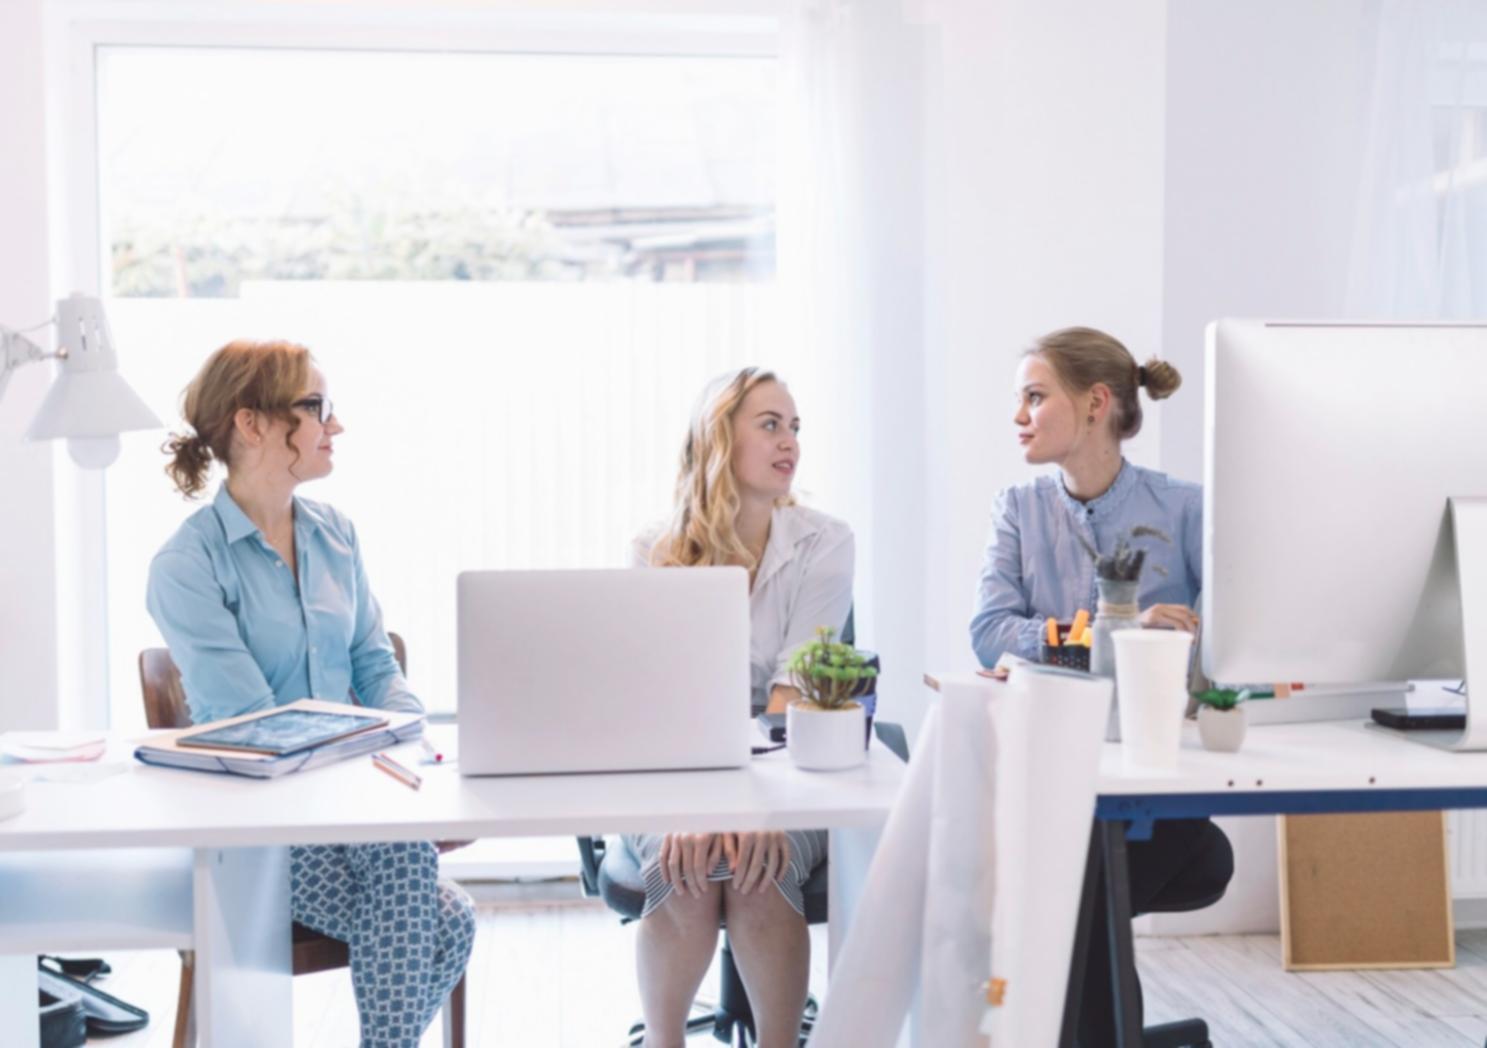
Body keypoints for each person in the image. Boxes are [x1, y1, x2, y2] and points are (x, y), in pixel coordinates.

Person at [146, 340, 475, 1048]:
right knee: (438, 906)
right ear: (253, 424)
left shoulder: (336, 535)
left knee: (421, 878)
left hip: (352, 805)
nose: (336, 423)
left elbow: (374, 664)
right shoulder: (186, 564)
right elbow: (254, 725)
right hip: (254, 829)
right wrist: (374, 775)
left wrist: (418, 761)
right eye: (316, 406)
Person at [968, 326, 1233, 1043]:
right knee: (1074, 882)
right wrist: (1111, 631)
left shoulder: (1184, 508)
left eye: (1033, 396)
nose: (1017, 415)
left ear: (1094, 403)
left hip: (1154, 791)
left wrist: (1182, 646)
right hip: (1047, 777)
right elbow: (989, 632)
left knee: (1074, 885)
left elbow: (1233, 640)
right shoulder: (1018, 511)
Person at [623, 367, 853, 1048]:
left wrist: (758, 809)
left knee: (759, 867)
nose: (790, 442)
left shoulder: (825, 542)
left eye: (794, 427)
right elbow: (660, 701)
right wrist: (699, 808)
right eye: (770, 424)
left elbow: (793, 691)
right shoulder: (655, 550)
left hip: (787, 766)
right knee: (683, 865)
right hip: (676, 768)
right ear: (719, 437)